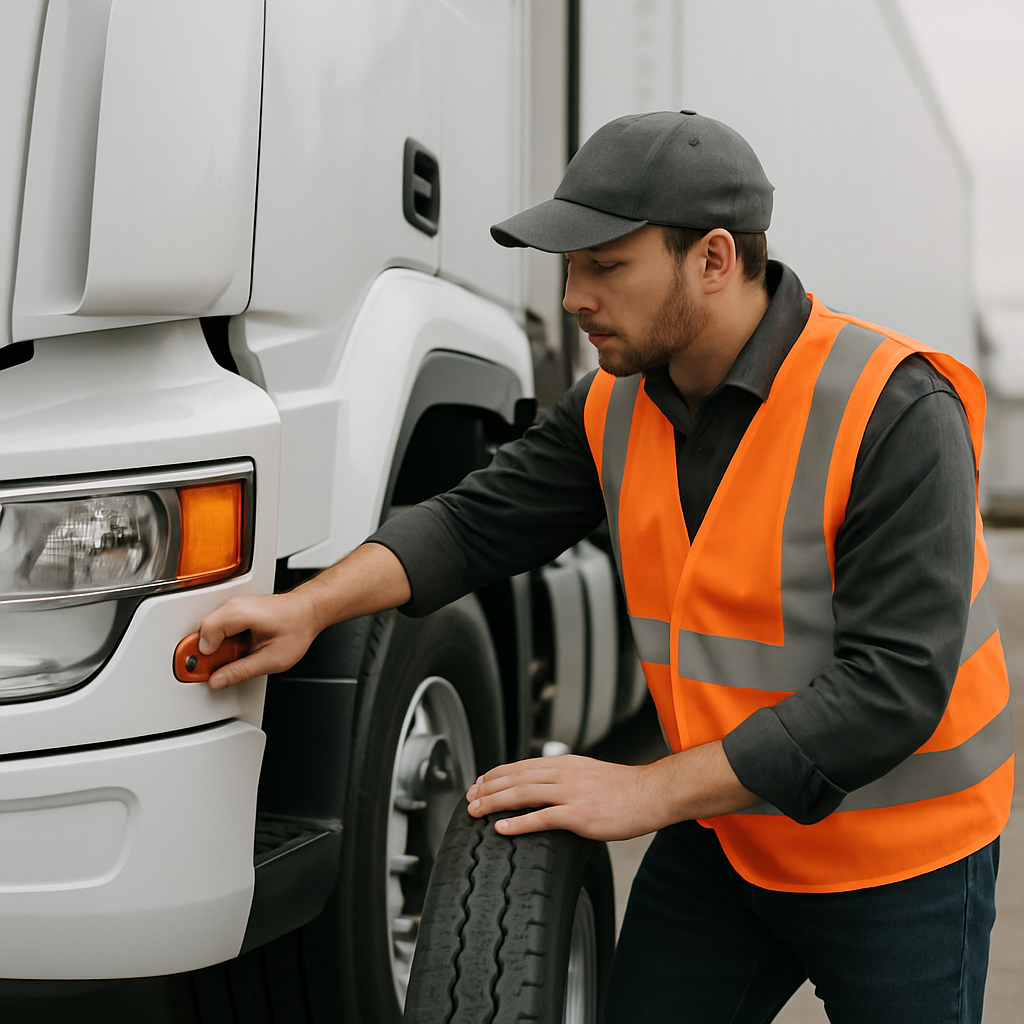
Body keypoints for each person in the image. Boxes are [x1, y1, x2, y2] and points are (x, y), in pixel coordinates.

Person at [198, 111, 1013, 1023]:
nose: (575, 296)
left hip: (899, 857)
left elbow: (892, 687)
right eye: (569, 267)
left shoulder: (893, 410)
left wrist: (644, 791)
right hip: (733, 834)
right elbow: (474, 523)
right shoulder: (615, 407)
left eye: (606, 266)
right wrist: (310, 607)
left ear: (713, 259)